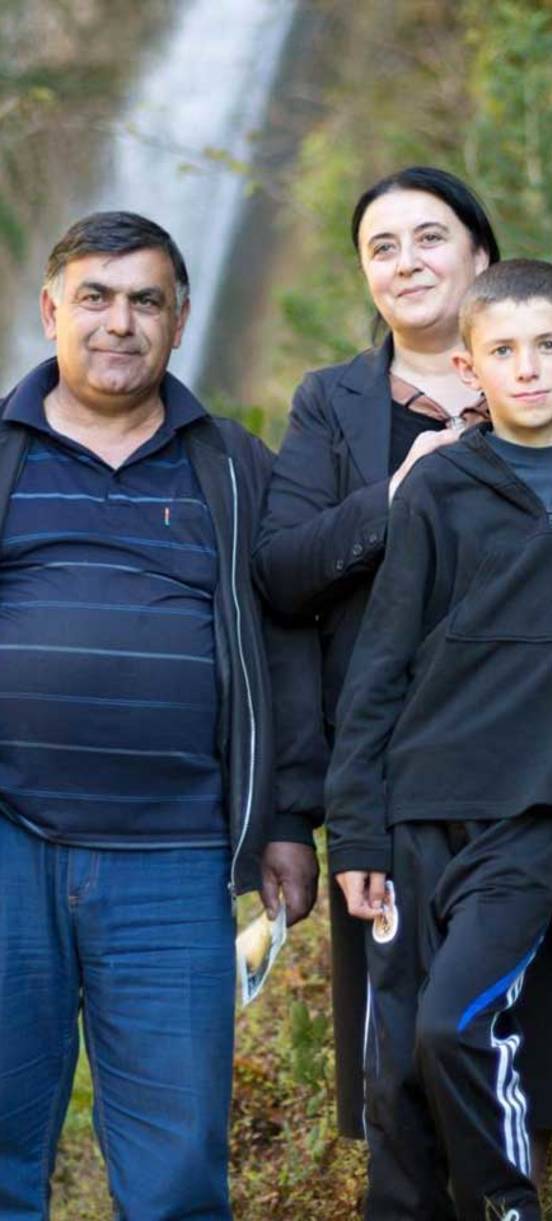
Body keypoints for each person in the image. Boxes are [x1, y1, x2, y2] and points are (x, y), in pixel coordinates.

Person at [254, 165, 552, 1143]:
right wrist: (395, 493)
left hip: (540, 732)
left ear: (480, 254)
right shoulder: (332, 404)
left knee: (546, 960)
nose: (407, 261)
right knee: (408, 1004)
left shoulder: (551, 368)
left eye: (430, 237)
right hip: (395, 743)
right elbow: (281, 570)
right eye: (382, 246)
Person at [0, 211, 326, 1218]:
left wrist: (284, 818)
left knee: (179, 1168)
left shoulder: (230, 465)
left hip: (174, 859)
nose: (119, 321)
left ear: (180, 320)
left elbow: (288, 641)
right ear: (52, 309)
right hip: (6, 845)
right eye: (95, 296)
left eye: (146, 300)